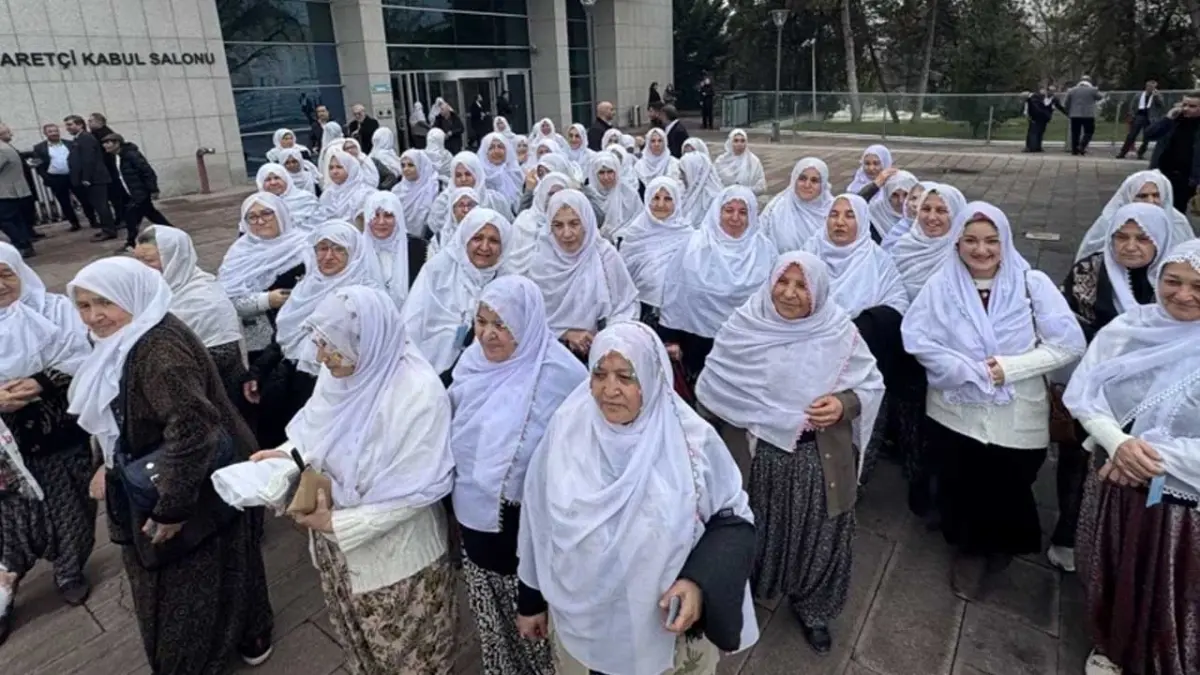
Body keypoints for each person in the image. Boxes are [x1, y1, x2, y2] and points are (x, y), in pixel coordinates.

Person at [66, 257, 274, 674]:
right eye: (84, 305)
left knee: (189, 577)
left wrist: (171, 510)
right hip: (169, 472)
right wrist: (105, 464)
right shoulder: (129, 336)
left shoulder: (158, 353)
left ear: (132, 296)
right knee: (226, 557)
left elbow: (194, 430)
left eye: (105, 302)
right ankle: (250, 628)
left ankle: (232, 640)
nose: (94, 316)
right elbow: (115, 418)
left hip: (186, 479)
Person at [516, 321, 760, 675]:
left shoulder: (692, 444)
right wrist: (530, 601)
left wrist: (696, 582)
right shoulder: (566, 431)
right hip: (583, 627)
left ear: (651, 376)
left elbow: (733, 520)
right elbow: (537, 522)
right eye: (599, 374)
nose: (609, 390)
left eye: (625, 377)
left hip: (662, 628)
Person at [255, 285, 459, 674]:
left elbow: (414, 492)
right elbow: (316, 432)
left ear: (368, 342)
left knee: (414, 662)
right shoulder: (343, 374)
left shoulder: (417, 394)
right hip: (337, 553)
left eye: (331, 346)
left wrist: (338, 523)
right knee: (360, 651)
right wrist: (283, 458)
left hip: (399, 565)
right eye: (320, 343)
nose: (321, 356)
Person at [697, 251, 884, 653]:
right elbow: (711, 389)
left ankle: (814, 608)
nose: (789, 293)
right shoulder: (743, 326)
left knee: (819, 539)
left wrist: (843, 404)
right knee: (753, 532)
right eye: (782, 281)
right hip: (754, 461)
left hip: (817, 461)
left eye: (802, 285)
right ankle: (748, 594)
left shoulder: (838, 331)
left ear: (818, 290)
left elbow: (870, 385)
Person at [901, 202, 1085, 596]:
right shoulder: (942, 285)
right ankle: (969, 550)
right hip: (955, 407)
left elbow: (1069, 343)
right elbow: (916, 337)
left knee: (1009, 482)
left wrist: (1007, 368)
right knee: (960, 479)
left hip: (1016, 408)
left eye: (990, 241)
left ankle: (1000, 544)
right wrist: (961, 368)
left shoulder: (1030, 284)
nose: (981, 250)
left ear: (1005, 242)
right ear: (957, 243)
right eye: (970, 240)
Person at [1063, 239, 1200, 675]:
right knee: (1116, 565)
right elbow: (1084, 392)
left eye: (1198, 286)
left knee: (1175, 585)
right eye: (1173, 281)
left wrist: (1148, 458)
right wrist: (1118, 442)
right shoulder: (1129, 328)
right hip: (1117, 480)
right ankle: (1111, 644)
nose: (1183, 295)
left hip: (1183, 500)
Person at [448, 276, 587, 675]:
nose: (488, 334)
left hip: (532, 541)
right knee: (496, 634)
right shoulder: (470, 366)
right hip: (476, 532)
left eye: (502, 324)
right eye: (481, 322)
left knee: (539, 643)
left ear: (527, 325)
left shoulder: (561, 377)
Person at [1049, 202, 1183, 575]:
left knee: (1142, 485)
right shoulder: (1090, 272)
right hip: (1093, 390)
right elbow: (1067, 326)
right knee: (1080, 470)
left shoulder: (1174, 281)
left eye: (1142, 238)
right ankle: (1069, 536)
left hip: (1158, 404)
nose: (1130, 246)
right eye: (1121, 237)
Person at [0, 243, 92, 645]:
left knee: (69, 499)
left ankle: (70, 569)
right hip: (5, 442)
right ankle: (5, 583)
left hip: (55, 427)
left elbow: (87, 355)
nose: (0, 285)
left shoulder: (56, 310)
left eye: (5, 273)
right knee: (9, 512)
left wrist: (42, 382)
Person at [246, 220, 381, 448]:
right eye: (322, 248)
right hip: (289, 386)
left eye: (338, 249)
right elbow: (283, 340)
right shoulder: (306, 287)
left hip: (336, 392)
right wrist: (257, 372)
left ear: (354, 253)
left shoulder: (366, 298)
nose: (328, 256)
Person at [658, 186, 776, 390]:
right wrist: (670, 338)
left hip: (745, 346)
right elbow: (675, 293)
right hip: (696, 340)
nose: (735, 218)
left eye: (743, 212)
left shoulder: (765, 251)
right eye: (729, 210)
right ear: (717, 212)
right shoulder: (695, 246)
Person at [217, 193, 308, 442]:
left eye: (267, 213)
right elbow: (226, 301)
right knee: (265, 405)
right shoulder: (238, 254)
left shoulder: (304, 248)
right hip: (258, 343)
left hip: (298, 341)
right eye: (252, 217)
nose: (260, 221)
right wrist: (266, 300)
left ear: (281, 214)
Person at [132, 225, 245, 404]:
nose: (142, 268)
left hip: (211, 393)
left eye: (149, 260)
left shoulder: (205, 299)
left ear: (175, 259)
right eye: (137, 260)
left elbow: (223, 355)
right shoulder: (150, 290)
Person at [528, 189, 639, 361]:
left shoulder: (604, 255)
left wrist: (605, 340)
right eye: (558, 225)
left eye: (574, 224)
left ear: (587, 223)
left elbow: (625, 306)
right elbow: (530, 319)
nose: (567, 233)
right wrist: (564, 334)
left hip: (603, 354)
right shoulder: (541, 263)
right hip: (549, 354)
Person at [403, 208, 512, 380]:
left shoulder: (509, 283)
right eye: (477, 238)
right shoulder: (438, 270)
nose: (484, 247)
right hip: (428, 373)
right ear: (465, 239)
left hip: (485, 376)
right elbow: (411, 325)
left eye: (493, 240)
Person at [1074, 170, 1196, 262]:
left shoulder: (1177, 222)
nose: (1150, 201)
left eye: (1156, 195)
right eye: (1142, 196)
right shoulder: (1110, 221)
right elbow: (1090, 255)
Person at [619, 177, 692, 320]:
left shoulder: (688, 235)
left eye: (668, 199)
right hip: (638, 309)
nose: (660, 204)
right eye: (656, 198)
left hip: (677, 314)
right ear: (647, 199)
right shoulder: (635, 233)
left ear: (677, 202)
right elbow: (622, 277)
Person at [102, 133, 173, 252]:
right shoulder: (118, 157)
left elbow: (147, 171)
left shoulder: (131, 155)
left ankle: (131, 243)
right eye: (104, 143)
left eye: (108, 143)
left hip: (140, 193)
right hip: (132, 193)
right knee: (152, 215)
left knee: (132, 217)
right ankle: (174, 232)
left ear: (117, 143)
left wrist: (153, 189)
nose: (105, 146)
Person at [29, 123, 97, 232]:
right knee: (64, 202)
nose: (54, 133)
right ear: (45, 133)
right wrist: (47, 178)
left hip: (73, 176)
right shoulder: (39, 148)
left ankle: (93, 220)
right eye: (50, 131)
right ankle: (74, 223)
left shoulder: (70, 143)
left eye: (56, 131)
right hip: (56, 178)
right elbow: (39, 165)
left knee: (84, 199)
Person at [761, 158, 835, 254]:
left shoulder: (835, 211)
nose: (807, 185)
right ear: (794, 180)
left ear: (823, 185)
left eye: (814, 180)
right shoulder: (775, 209)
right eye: (802, 179)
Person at [1146, 91, 1200, 214]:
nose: (1186, 109)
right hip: (1162, 174)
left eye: (1192, 106)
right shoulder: (1173, 121)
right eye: (1184, 105)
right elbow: (1149, 134)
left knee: (1176, 213)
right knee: (1154, 210)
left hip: (1187, 179)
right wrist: (1167, 118)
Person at [361, 191, 413, 307]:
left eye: (388, 215)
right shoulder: (356, 252)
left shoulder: (420, 249)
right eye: (375, 216)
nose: (381, 222)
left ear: (398, 217)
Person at [589, 151, 641, 243]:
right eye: (601, 172)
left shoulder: (629, 193)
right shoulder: (588, 195)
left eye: (610, 172)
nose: (606, 177)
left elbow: (639, 221)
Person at [255, 162, 321, 232]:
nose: (273, 182)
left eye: (277, 178)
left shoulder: (306, 199)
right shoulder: (257, 204)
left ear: (286, 179)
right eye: (268, 179)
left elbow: (319, 225)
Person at [393, 148, 441, 241]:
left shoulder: (434, 189)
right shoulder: (397, 191)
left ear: (421, 166)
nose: (406, 169)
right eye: (403, 165)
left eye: (411, 165)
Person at [0, 126, 34, 257]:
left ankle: (21, 244)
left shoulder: (2, 149)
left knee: (6, 220)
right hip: (12, 191)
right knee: (16, 220)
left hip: (6, 192)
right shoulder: (6, 147)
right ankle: (25, 244)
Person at [318, 151, 378, 224]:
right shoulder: (327, 195)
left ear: (351, 169)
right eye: (331, 168)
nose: (334, 171)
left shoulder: (366, 194)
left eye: (339, 167)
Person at [1117, 79, 1165, 160]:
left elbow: (1161, 105)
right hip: (1139, 115)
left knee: (1147, 137)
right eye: (1149, 87)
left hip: (1150, 118)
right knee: (1131, 135)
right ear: (1146, 87)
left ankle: (1140, 153)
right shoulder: (1139, 95)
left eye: (1153, 87)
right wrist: (1132, 114)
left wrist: (1156, 96)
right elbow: (1132, 105)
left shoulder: (1157, 95)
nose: (1151, 89)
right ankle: (1123, 152)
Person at [866, 170, 918, 243]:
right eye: (894, 195)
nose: (901, 201)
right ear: (887, 195)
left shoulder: (924, 215)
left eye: (906, 194)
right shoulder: (875, 214)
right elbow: (854, 205)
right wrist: (875, 185)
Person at [477, 133, 524, 213]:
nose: (496, 151)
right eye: (491, 148)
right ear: (485, 152)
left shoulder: (515, 172)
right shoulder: (480, 177)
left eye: (500, 147)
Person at [714, 129, 766, 193]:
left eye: (742, 141)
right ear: (730, 142)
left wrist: (743, 192)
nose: (739, 144)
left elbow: (761, 186)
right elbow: (714, 183)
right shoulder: (720, 161)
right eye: (736, 141)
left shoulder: (754, 162)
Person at [678, 152, 724, 225]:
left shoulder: (712, 199)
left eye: (683, 172)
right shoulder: (686, 193)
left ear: (694, 172)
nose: (680, 177)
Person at [1065, 76, 1105, 156]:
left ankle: (1074, 150)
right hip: (1088, 115)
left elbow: (1067, 102)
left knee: (1075, 133)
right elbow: (1100, 97)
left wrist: (1068, 111)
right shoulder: (1092, 90)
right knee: (1089, 131)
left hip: (1075, 114)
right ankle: (1082, 145)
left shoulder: (1072, 90)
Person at [633, 128, 681, 193]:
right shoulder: (639, 166)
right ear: (648, 143)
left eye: (660, 141)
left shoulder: (674, 163)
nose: (656, 144)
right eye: (653, 141)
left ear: (665, 142)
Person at [1022, 85, 1067, 153]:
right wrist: (1029, 114)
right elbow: (1033, 106)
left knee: (1040, 132)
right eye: (1050, 91)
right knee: (1033, 132)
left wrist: (1068, 114)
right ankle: (1030, 147)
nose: (1051, 92)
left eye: (1053, 91)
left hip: (1044, 118)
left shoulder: (1054, 99)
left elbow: (1060, 107)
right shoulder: (1037, 96)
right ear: (1047, 91)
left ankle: (1037, 147)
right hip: (1035, 117)